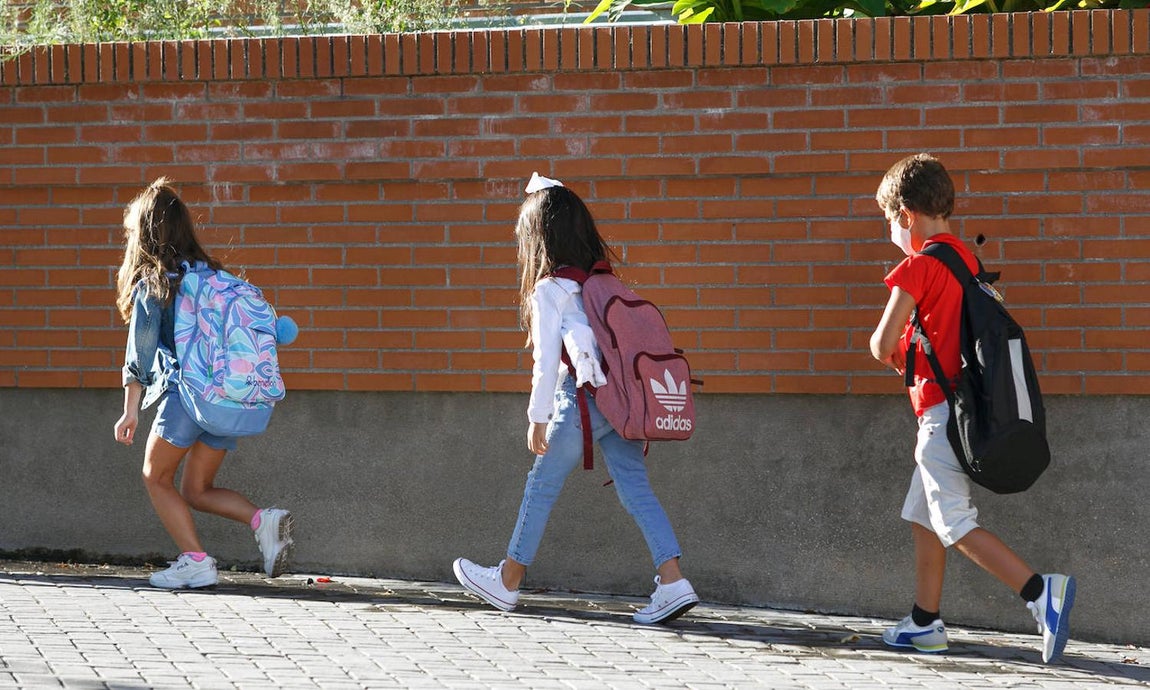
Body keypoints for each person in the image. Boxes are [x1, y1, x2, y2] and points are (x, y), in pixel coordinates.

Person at [452, 173, 698, 625]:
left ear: (538, 238)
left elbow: (547, 361)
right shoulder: (600, 282)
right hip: (619, 399)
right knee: (635, 488)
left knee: (541, 485)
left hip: (581, 398)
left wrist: (537, 416)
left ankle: (507, 581)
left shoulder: (549, 289)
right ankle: (673, 578)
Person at [869, 154, 1075, 663]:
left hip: (939, 414)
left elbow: (880, 343)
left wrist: (899, 353)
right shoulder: (965, 259)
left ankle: (1039, 592)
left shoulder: (917, 266)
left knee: (952, 521)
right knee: (923, 513)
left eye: (890, 223)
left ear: (906, 215)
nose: (892, 233)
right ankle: (924, 621)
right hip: (963, 408)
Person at [113, 178, 294, 590]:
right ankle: (262, 520)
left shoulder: (155, 283)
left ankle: (195, 561)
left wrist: (129, 412)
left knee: (155, 477)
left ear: (143, 235)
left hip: (185, 396)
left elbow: (138, 357)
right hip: (225, 399)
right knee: (196, 489)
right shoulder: (217, 276)